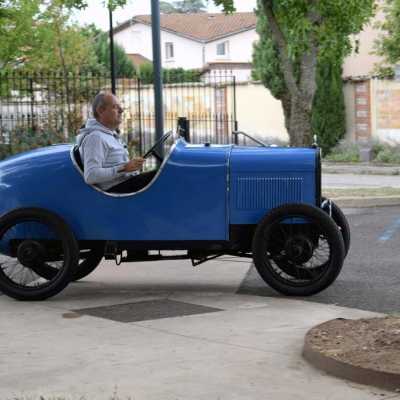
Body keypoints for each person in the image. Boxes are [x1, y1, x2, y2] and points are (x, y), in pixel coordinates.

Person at [76, 91, 156, 193]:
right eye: (115, 107)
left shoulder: (108, 135)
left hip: (127, 184)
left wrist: (131, 167)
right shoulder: (95, 137)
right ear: (101, 110)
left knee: (163, 174)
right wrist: (125, 168)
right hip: (118, 191)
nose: (121, 110)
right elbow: (91, 175)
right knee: (165, 176)